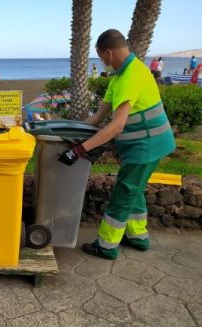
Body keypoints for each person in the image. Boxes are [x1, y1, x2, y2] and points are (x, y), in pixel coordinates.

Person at [58, 29, 175, 260]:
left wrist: (79, 151)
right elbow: (97, 118)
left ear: (108, 53)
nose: (102, 62)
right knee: (135, 188)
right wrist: (70, 132)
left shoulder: (131, 76)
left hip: (148, 146)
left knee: (125, 191)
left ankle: (106, 246)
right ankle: (138, 237)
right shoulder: (119, 77)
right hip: (143, 146)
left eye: (101, 57)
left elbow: (116, 126)